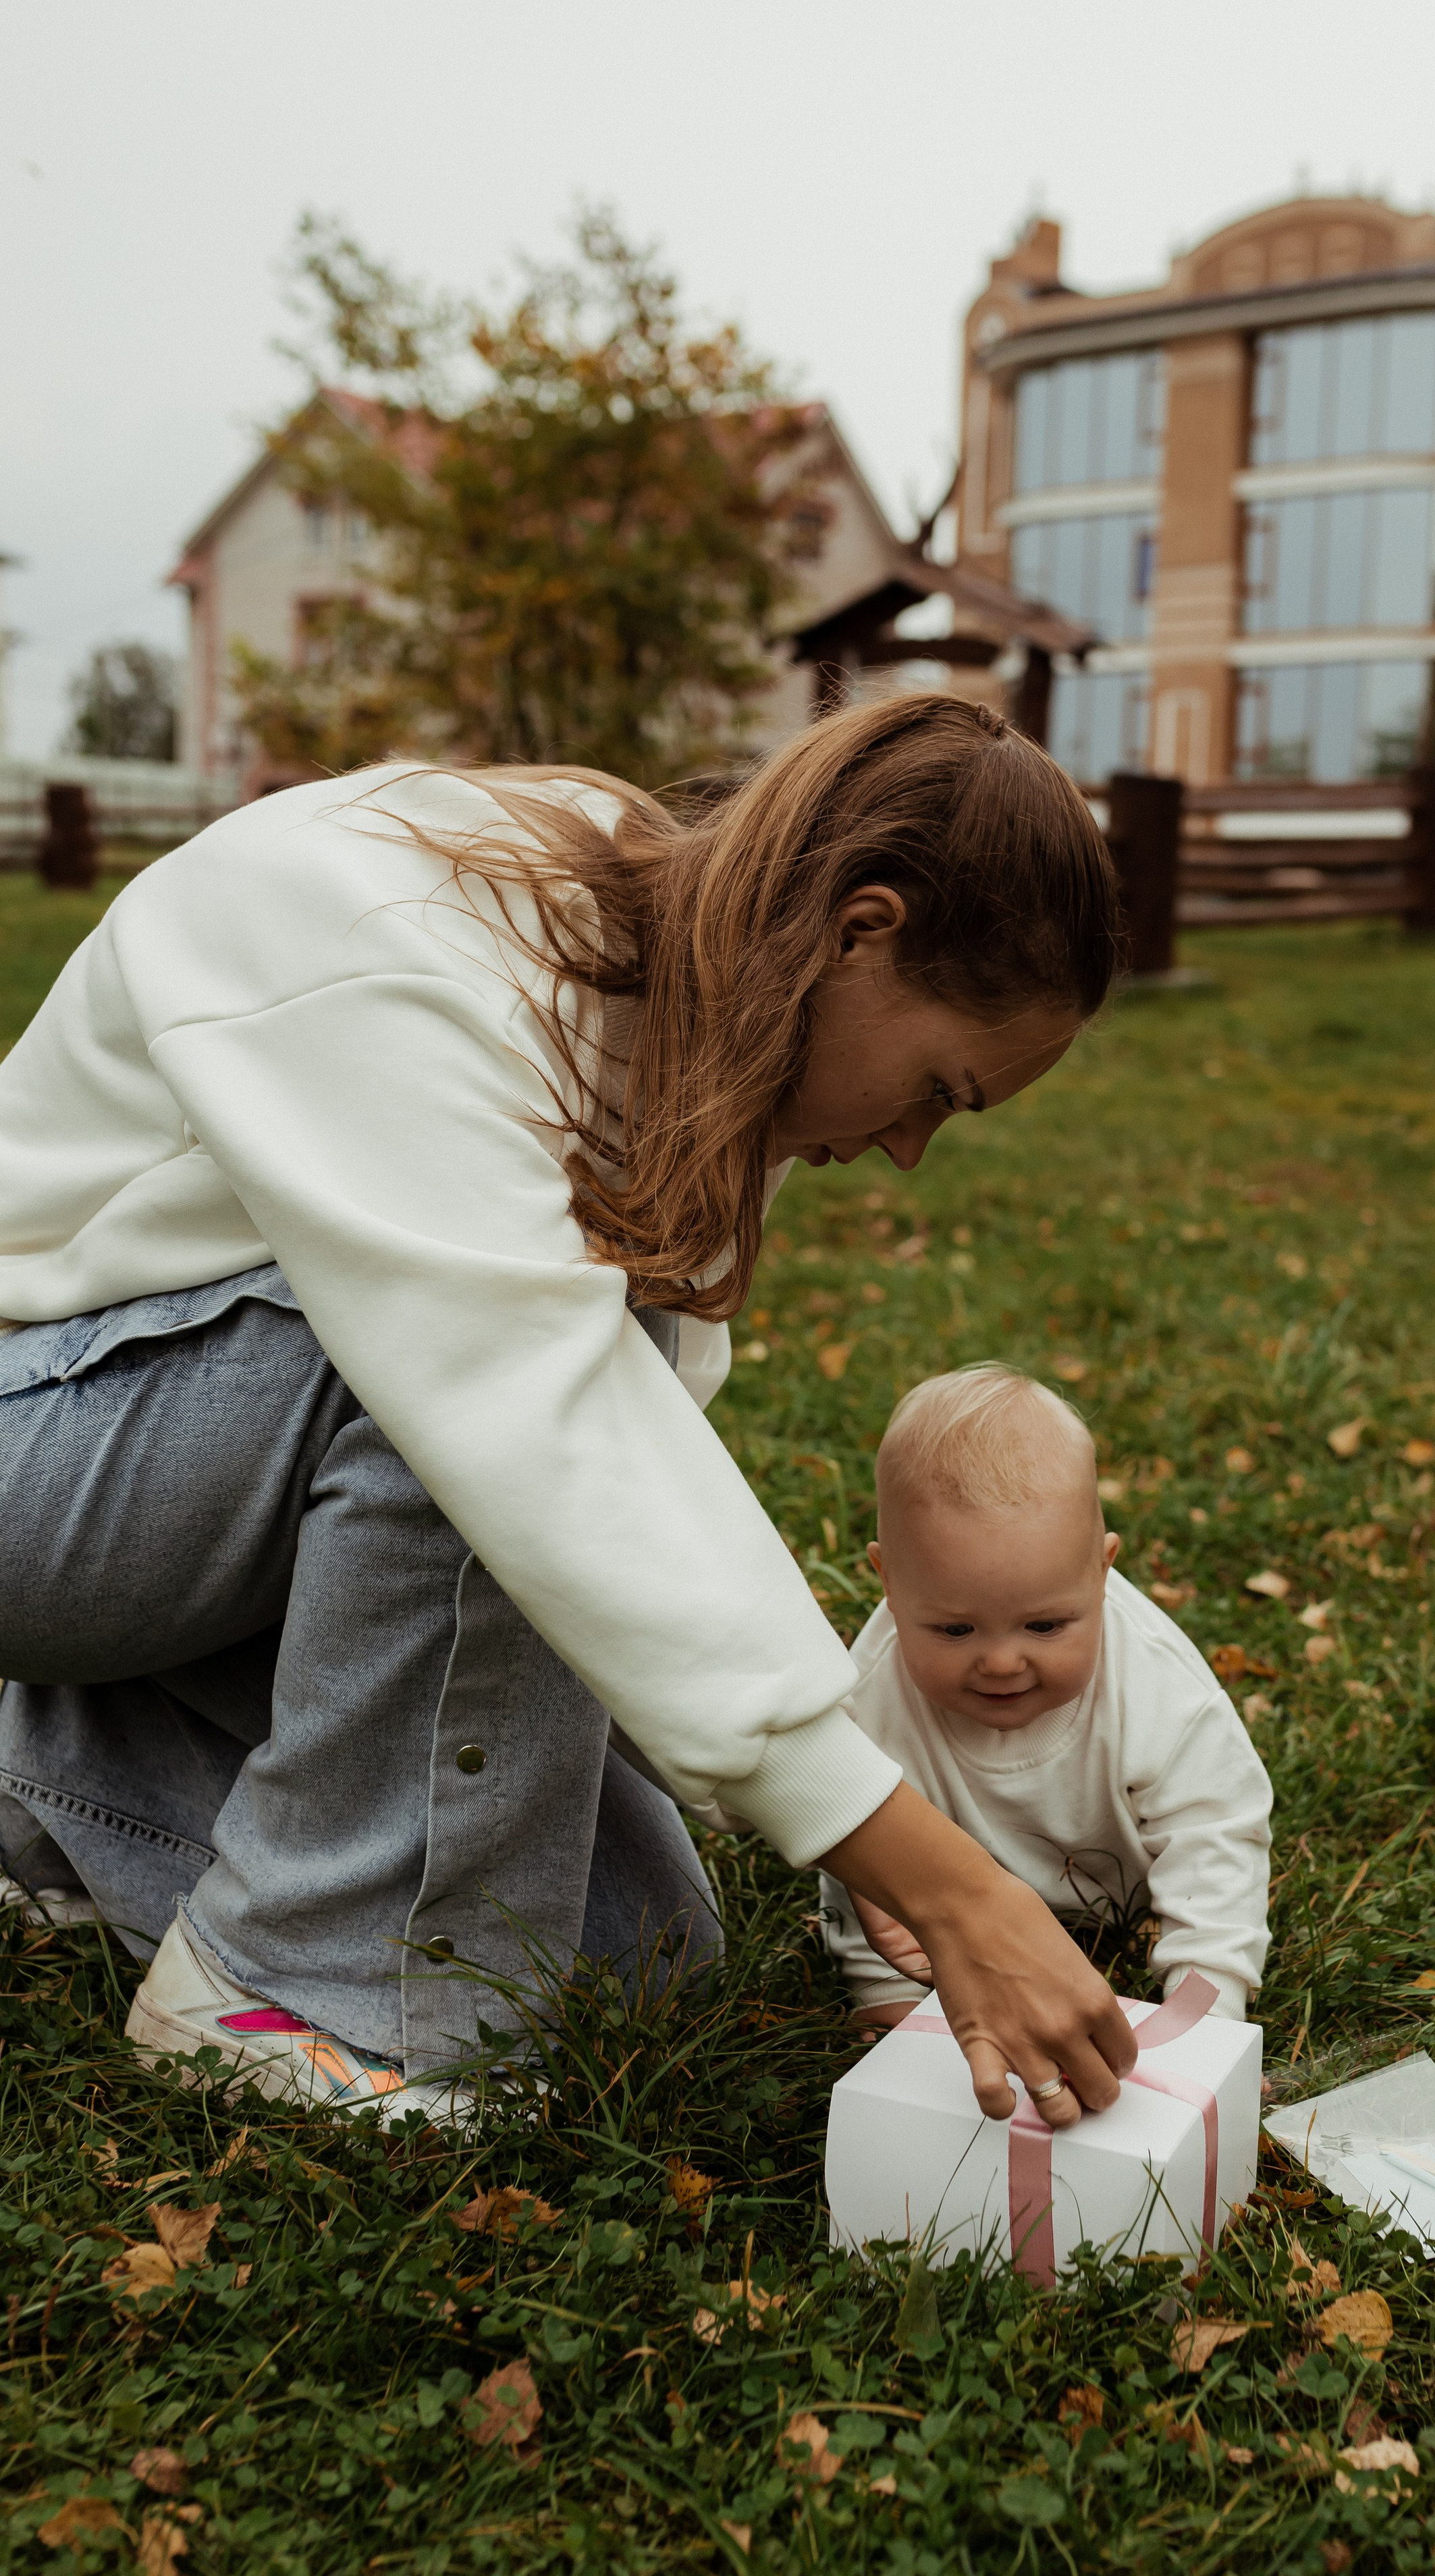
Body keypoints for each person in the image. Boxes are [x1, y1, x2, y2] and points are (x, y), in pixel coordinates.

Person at [0, 693, 1139, 2130]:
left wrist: (837, 1817)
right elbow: (536, 1432)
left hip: (157, 1476)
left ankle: (55, 1788)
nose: (908, 1149)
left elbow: (631, 1477)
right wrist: (927, 1864)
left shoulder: (704, 1006)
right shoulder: (396, 939)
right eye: (935, 1089)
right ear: (859, 930)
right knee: (461, 1374)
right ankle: (290, 1988)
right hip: (30, 1448)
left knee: (625, 1949)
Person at [815, 1365, 1273, 2030]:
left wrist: (1204, 2014)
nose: (1001, 1662)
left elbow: (1216, 1833)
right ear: (888, 1583)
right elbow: (854, 1834)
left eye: (1044, 1625)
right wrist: (888, 1992)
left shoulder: (1158, 1688)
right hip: (951, 1903)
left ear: (1102, 1571)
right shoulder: (869, 1697)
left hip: (1124, 1890)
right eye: (954, 1628)